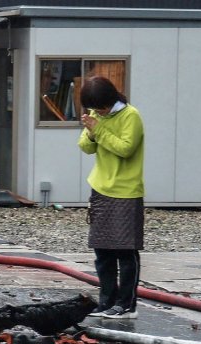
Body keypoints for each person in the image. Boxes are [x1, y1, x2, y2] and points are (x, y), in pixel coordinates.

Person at [78, 76, 145, 319]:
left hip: (126, 191)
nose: (97, 112)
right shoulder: (100, 116)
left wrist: (100, 129)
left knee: (126, 252)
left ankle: (127, 305)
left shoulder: (131, 116)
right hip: (100, 188)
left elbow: (125, 149)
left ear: (110, 100)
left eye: (99, 107)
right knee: (103, 252)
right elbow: (86, 147)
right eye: (93, 108)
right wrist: (91, 132)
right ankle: (107, 301)